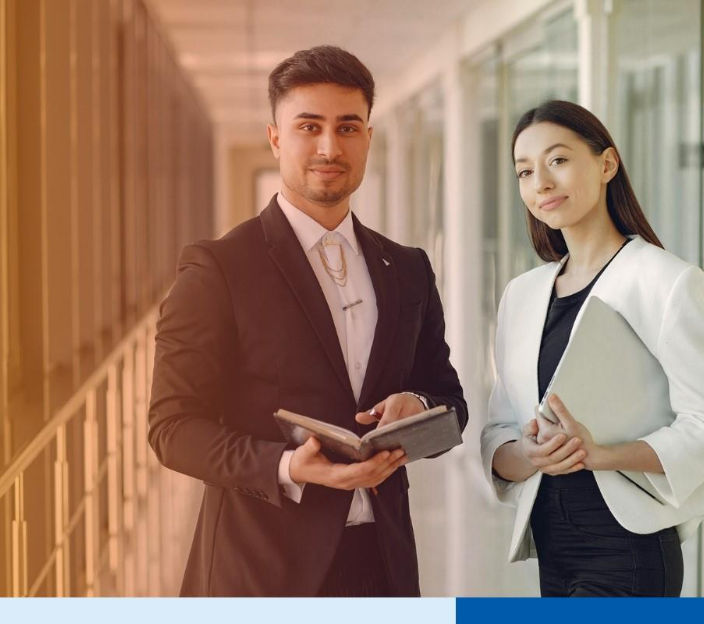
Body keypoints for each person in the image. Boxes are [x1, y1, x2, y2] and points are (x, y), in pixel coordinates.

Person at [148, 45, 467, 597]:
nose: (329, 147)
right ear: (276, 137)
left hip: (384, 569)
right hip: (262, 571)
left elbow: (450, 405)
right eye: (308, 126)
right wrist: (289, 465)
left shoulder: (408, 268)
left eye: (347, 127)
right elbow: (172, 429)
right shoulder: (218, 267)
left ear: (368, 136)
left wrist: (415, 405)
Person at [480, 100, 704, 597]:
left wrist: (602, 454)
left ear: (606, 163)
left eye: (558, 160)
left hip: (627, 551)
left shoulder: (665, 280)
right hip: (552, 551)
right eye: (525, 171)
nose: (541, 183)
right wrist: (531, 454)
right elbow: (497, 436)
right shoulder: (522, 295)